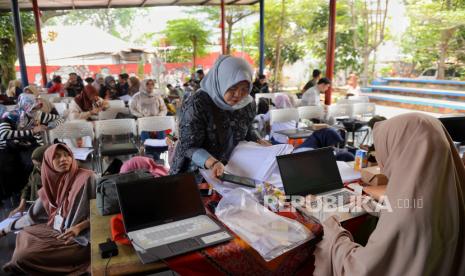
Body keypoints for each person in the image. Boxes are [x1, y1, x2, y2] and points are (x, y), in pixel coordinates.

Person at [314, 113, 465, 276]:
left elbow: (360, 270)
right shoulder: (453, 192)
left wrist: (333, 233)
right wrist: (380, 209)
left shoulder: (406, 218)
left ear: (402, 150)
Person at [169, 56, 270, 180]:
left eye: (244, 89)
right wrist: (213, 163)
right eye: (232, 88)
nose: (238, 95)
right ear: (221, 81)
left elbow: (246, 128)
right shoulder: (198, 103)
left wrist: (259, 141)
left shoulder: (247, 103)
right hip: (196, 172)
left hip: (231, 168)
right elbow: (188, 147)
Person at [1, 144, 96, 275]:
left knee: (22, 257)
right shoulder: (52, 182)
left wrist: (79, 227)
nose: (63, 159)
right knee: (25, 233)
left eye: (66, 155)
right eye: (56, 157)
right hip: (59, 228)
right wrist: (5, 229)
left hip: (79, 238)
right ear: (48, 163)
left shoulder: (87, 178)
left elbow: (101, 213)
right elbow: (32, 216)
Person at [0, 94, 64, 196]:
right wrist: (32, 131)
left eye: (36, 107)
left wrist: (50, 125)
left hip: (29, 145)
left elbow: (60, 118)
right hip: (9, 147)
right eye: (32, 107)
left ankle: (32, 192)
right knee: (6, 165)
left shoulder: (38, 115)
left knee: (34, 161)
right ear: (24, 106)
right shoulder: (9, 116)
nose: (35, 110)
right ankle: (14, 194)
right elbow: (4, 134)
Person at [8, 145, 49, 217]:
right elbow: (28, 186)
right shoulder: (36, 170)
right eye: (35, 165)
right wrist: (22, 204)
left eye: (39, 165)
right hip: (35, 209)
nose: (37, 168)